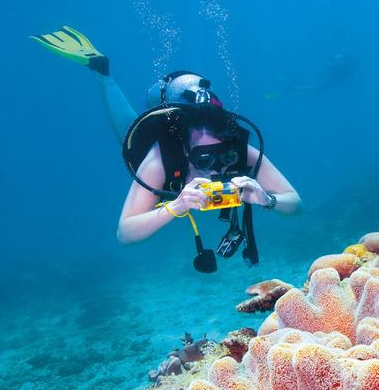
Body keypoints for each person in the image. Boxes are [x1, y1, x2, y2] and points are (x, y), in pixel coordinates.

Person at [31, 27, 301, 272]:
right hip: (152, 147)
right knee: (127, 130)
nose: (218, 167)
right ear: (185, 149)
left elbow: (295, 202)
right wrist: (176, 206)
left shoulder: (241, 151)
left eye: (223, 154)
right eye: (203, 158)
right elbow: (125, 233)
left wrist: (267, 199)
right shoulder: (160, 160)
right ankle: (102, 73)